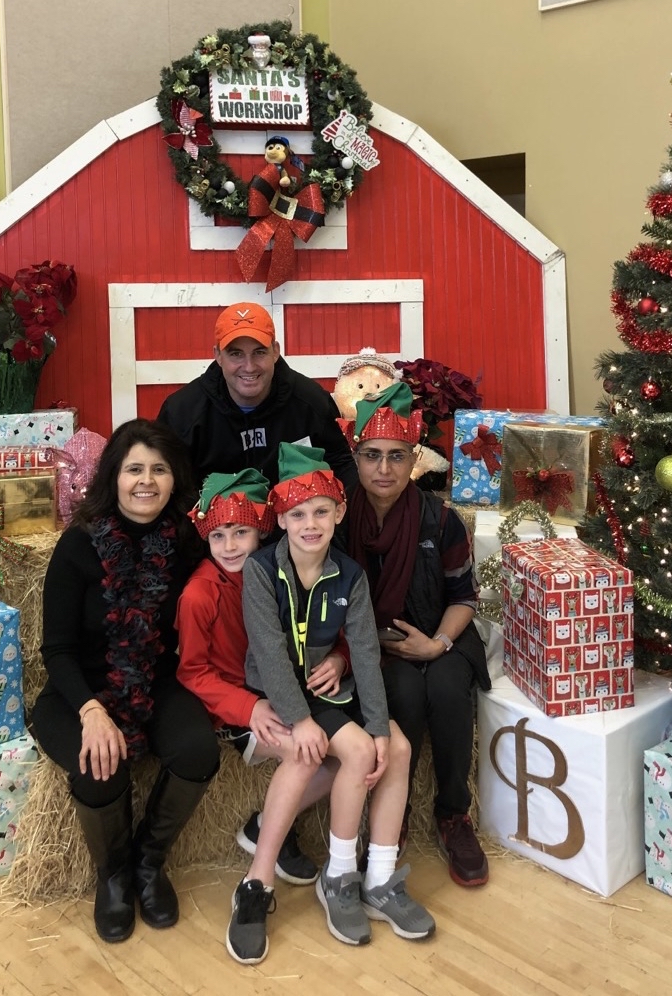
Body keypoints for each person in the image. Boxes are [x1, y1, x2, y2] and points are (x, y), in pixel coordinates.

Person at [241, 443, 434, 958]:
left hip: (332, 689)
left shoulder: (350, 574)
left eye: (321, 511)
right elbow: (270, 655)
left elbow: (366, 656)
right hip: (285, 695)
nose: (310, 523)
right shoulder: (261, 573)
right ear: (280, 518)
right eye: (298, 513)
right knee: (356, 752)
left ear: (339, 512)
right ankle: (340, 875)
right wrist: (300, 719)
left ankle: (382, 878)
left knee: (395, 748)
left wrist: (378, 726)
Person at [31, 419, 219, 944]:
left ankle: (147, 863)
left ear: (173, 478)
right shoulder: (78, 546)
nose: (146, 481)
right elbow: (58, 650)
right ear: (113, 476)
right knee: (99, 769)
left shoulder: (185, 543)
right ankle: (112, 875)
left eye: (159, 470)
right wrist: (91, 711)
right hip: (78, 690)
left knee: (199, 750)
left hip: (153, 681)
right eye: (134, 468)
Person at [175, 468, 342, 964]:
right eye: (219, 535)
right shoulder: (199, 594)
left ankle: (267, 822)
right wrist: (249, 707)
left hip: (293, 695)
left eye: (241, 532)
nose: (230, 545)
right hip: (241, 711)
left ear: (263, 530)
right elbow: (193, 672)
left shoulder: (282, 571)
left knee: (354, 755)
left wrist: (340, 660)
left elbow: (330, 627)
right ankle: (256, 882)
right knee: (313, 753)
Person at [341, 382, 492, 887]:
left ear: (415, 461)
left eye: (396, 456)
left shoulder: (440, 520)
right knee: (401, 691)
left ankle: (453, 814)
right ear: (357, 458)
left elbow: (464, 597)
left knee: (448, 687)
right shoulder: (338, 520)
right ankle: (394, 814)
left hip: (438, 635)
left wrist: (437, 644)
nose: (384, 469)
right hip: (375, 646)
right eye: (372, 456)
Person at [157, 301, 357, 494]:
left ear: (275, 351)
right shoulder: (181, 413)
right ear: (218, 355)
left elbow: (341, 467)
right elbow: (166, 483)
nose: (249, 366)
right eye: (236, 354)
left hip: (294, 526)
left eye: (259, 352)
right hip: (212, 527)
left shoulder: (312, 402)